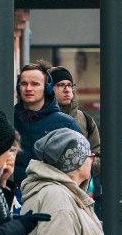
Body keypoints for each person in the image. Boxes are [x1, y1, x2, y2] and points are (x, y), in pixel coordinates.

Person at [12, 62, 79, 190]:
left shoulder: (66, 124)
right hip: (15, 197)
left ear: (47, 88)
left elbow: (81, 166)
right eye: (24, 84)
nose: (28, 88)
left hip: (54, 197)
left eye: (35, 84)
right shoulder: (9, 120)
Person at [48, 67, 101, 177]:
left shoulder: (85, 119)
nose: (67, 89)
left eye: (69, 85)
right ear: (49, 89)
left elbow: (98, 153)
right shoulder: (40, 117)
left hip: (79, 186)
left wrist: (86, 164)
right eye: (61, 85)